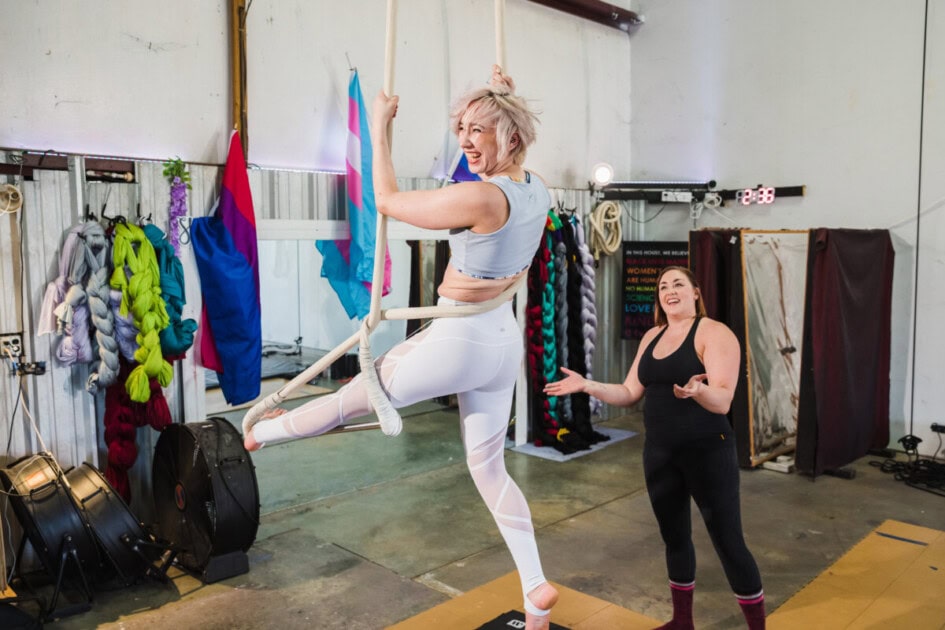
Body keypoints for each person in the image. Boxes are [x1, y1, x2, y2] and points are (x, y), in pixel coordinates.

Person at [244, 65, 559, 630]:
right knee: (490, 470)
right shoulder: (536, 187)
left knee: (352, 399)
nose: (465, 141)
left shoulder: (482, 199)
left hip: (460, 337)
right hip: (500, 340)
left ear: (509, 136)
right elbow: (503, 150)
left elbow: (386, 199)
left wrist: (379, 127)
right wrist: (500, 96)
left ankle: (258, 435)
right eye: (461, 129)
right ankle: (535, 588)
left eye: (477, 131)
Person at [544, 266, 765, 630]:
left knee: (728, 541)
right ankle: (682, 621)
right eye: (663, 286)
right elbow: (629, 393)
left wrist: (699, 392)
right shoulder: (651, 336)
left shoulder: (713, 332)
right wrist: (588, 386)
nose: (669, 291)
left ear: (696, 292)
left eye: (679, 284)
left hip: (708, 451)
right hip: (661, 453)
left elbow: (723, 400)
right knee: (674, 537)